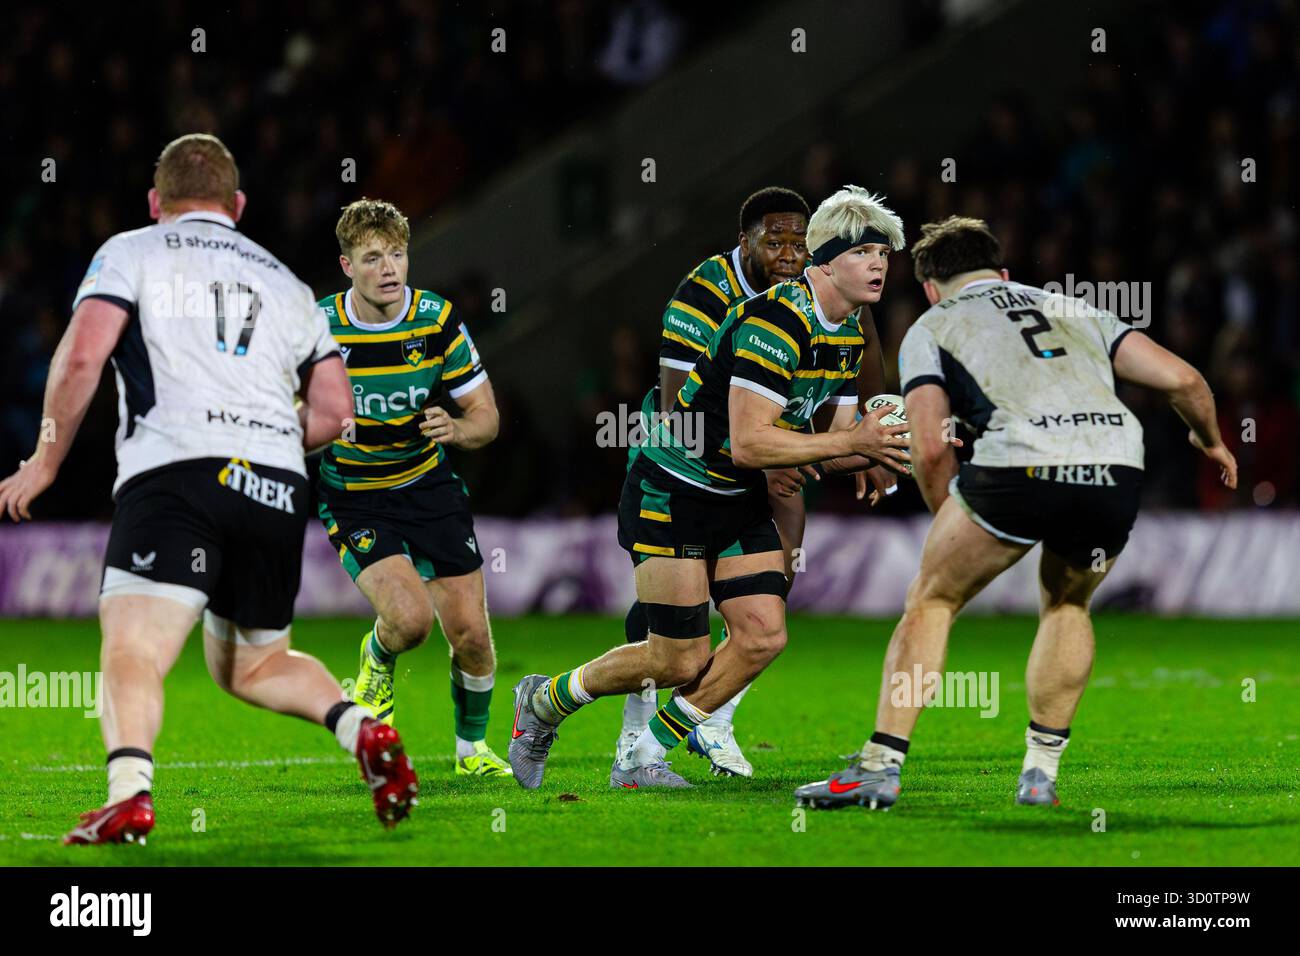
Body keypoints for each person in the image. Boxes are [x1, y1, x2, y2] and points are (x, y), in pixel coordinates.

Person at [0, 134, 417, 843]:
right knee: (253, 661)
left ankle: (130, 793)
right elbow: (337, 414)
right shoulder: (286, 283)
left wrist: (42, 460)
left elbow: (81, 357)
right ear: (239, 205)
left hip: (177, 472)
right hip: (276, 483)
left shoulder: (133, 251)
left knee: (134, 645)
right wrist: (267, 438)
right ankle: (363, 731)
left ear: (156, 202)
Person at [795, 216, 1238, 810]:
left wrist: (945, 515)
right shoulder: (1075, 308)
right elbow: (1184, 379)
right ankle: (1040, 773)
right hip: (1115, 463)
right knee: (1067, 601)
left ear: (930, 286)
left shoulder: (933, 325)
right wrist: (1209, 440)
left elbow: (928, 445)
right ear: (1003, 273)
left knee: (932, 599)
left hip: (1019, 465)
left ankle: (880, 765)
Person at [509, 186, 911, 790]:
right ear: (827, 259)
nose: (881, 264)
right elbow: (751, 442)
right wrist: (853, 445)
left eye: (886, 253)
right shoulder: (774, 321)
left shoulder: (849, 332)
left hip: (739, 490)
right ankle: (543, 703)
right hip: (676, 488)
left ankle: (641, 758)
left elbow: (832, 433)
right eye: (867, 251)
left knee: (763, 634)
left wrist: (894, 444)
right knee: (679, 657)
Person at [618, 186, 896, 777]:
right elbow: (681, 411)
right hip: (684, 461)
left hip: (760, 453)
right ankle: (633, 730)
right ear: (743, 241)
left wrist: (888, 443)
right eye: (776, 241)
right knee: (671, 631)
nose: (789, 252)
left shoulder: (839, 309)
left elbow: (855, 377)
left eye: (798, 240)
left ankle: (712, 717)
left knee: (770, 597)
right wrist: (791, 451)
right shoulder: (707, 294)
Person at [317, 198, 511, 777]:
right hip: (354, 494)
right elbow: (285, 412)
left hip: (428, 486)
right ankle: (376, 660)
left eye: (397, 254)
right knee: (410, 622)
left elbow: (487, 416)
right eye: (372, 257)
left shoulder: (437, 320)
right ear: (347, 266)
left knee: (473, 635)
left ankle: (471, 751)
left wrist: (455, 427)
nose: (389, 268)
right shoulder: (318, 327)